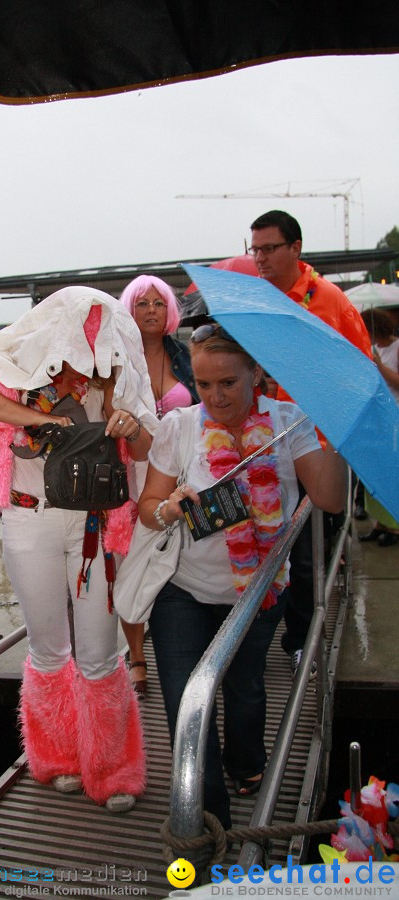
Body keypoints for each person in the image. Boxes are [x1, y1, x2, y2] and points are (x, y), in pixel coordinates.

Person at [0, 286, 158, 813]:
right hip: (28, 518)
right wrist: (35, 418)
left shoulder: (114, 374)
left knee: (100, 652)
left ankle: (113, 769)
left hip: (95, 524)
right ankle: (58, 758)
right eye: (81, 324)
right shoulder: (14, 362)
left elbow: (148, 445)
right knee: (46, 647)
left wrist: (129, 425)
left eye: (99, 326)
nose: (89, 336)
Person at [138, 322, 347, 828]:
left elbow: (331, 499)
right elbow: (146, 507)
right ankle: (209, 820)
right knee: (186, 702)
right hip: (182, 591)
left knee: (246, 688)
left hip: (258, 592)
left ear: (256, 372)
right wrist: (169, 507)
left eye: (227, 382)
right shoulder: (180, 427)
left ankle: (246, 761)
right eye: (204, 383)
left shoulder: (289, 422)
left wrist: (333, 428)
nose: (214, 396)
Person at [249, 210, 372, 676]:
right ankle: (264, 628)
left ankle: (300, 636)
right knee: (266, 538)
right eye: (254, 249)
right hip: (266, 440)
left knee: (305, 552)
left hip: (316, 441)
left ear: (296, 248)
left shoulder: (331, 303)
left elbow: (360, 373)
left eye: (269, 249)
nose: (260, 258)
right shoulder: (257, 303)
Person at [117, 275, 199, 693]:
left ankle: (180, 634)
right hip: (133, 475)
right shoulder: (117, 362)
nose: (151, 310)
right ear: (128, 312)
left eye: (159, 303)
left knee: (179, 556)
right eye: (142, 303)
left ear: (170, 311)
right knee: (131, 562)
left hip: (181, 472)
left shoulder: (186, 356)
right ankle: (135, 653)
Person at [357, 307, 399, 546]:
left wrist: (381, 367)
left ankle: (394, 527)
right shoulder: (373, 350)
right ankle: (380, 523)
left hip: (395, 417)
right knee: (376, 472)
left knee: (393, 472)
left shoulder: (396, 347)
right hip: (377, 418)